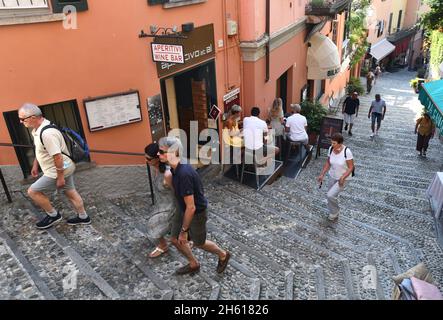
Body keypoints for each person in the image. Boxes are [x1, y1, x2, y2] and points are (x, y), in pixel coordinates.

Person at [158, 136, 231, 275]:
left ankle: (223, 255)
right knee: (174, 239)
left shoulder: (184, 173)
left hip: (196, 213)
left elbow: (191, 207)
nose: (158, 154)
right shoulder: (175, 167)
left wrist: (184, 231)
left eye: (162, 152)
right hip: (183, 209)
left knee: (199, 243)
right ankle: (193, 263)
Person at [18, 103, 90, 229]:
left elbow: (57, 156)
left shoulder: (47, 134)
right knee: (71, 192)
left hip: (57, 170)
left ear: (33, 117)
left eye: (23, 119)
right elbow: (40, 149)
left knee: (33, 191)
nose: (20, 121)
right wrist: (35, 164)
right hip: (65, 166)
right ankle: (84, 217)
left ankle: (53, 215)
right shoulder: (38, 129)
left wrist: (60, 177)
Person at [145, 143, 178, 258]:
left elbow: (177, 193)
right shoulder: (155, 168)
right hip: (161, 202)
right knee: (154, 223)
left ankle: (166, 244)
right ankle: (165, 242)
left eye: (148, 158)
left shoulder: (167, 174)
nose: (146, 160)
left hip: (170, 205)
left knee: (153, 224)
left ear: (157, 158)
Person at [317, 133, 354, 221]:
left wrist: (343, 178)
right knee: (331, 195)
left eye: (334, 143)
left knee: (330, 195)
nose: (332, 145)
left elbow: (351, 167)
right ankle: (332, 203)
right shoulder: (331, 149)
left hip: (344, 178)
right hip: (332, 175)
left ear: (340, 143)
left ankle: (335, 212)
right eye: (331, 143)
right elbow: (328, 163)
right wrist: (322, 174)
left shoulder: (347, 152)